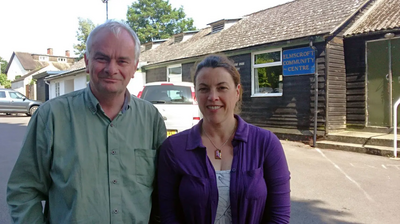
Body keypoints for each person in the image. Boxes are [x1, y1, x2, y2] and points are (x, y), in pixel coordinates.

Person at [7, 20, 166, 223]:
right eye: (102, 58)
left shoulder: (151, 120)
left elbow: (163, 194)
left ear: (134, 67)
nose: (111, 68)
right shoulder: (52, 117)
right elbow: (23, 190)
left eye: (122, 61)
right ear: (87, 62)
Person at [157, 54, 291, 223]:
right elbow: (168, 215)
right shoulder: (174, 148)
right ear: (196, 94)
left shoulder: (265, 144)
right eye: (204, 89)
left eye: (222, 88)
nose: (213, 96)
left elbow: (279, 217)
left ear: (237, 92)